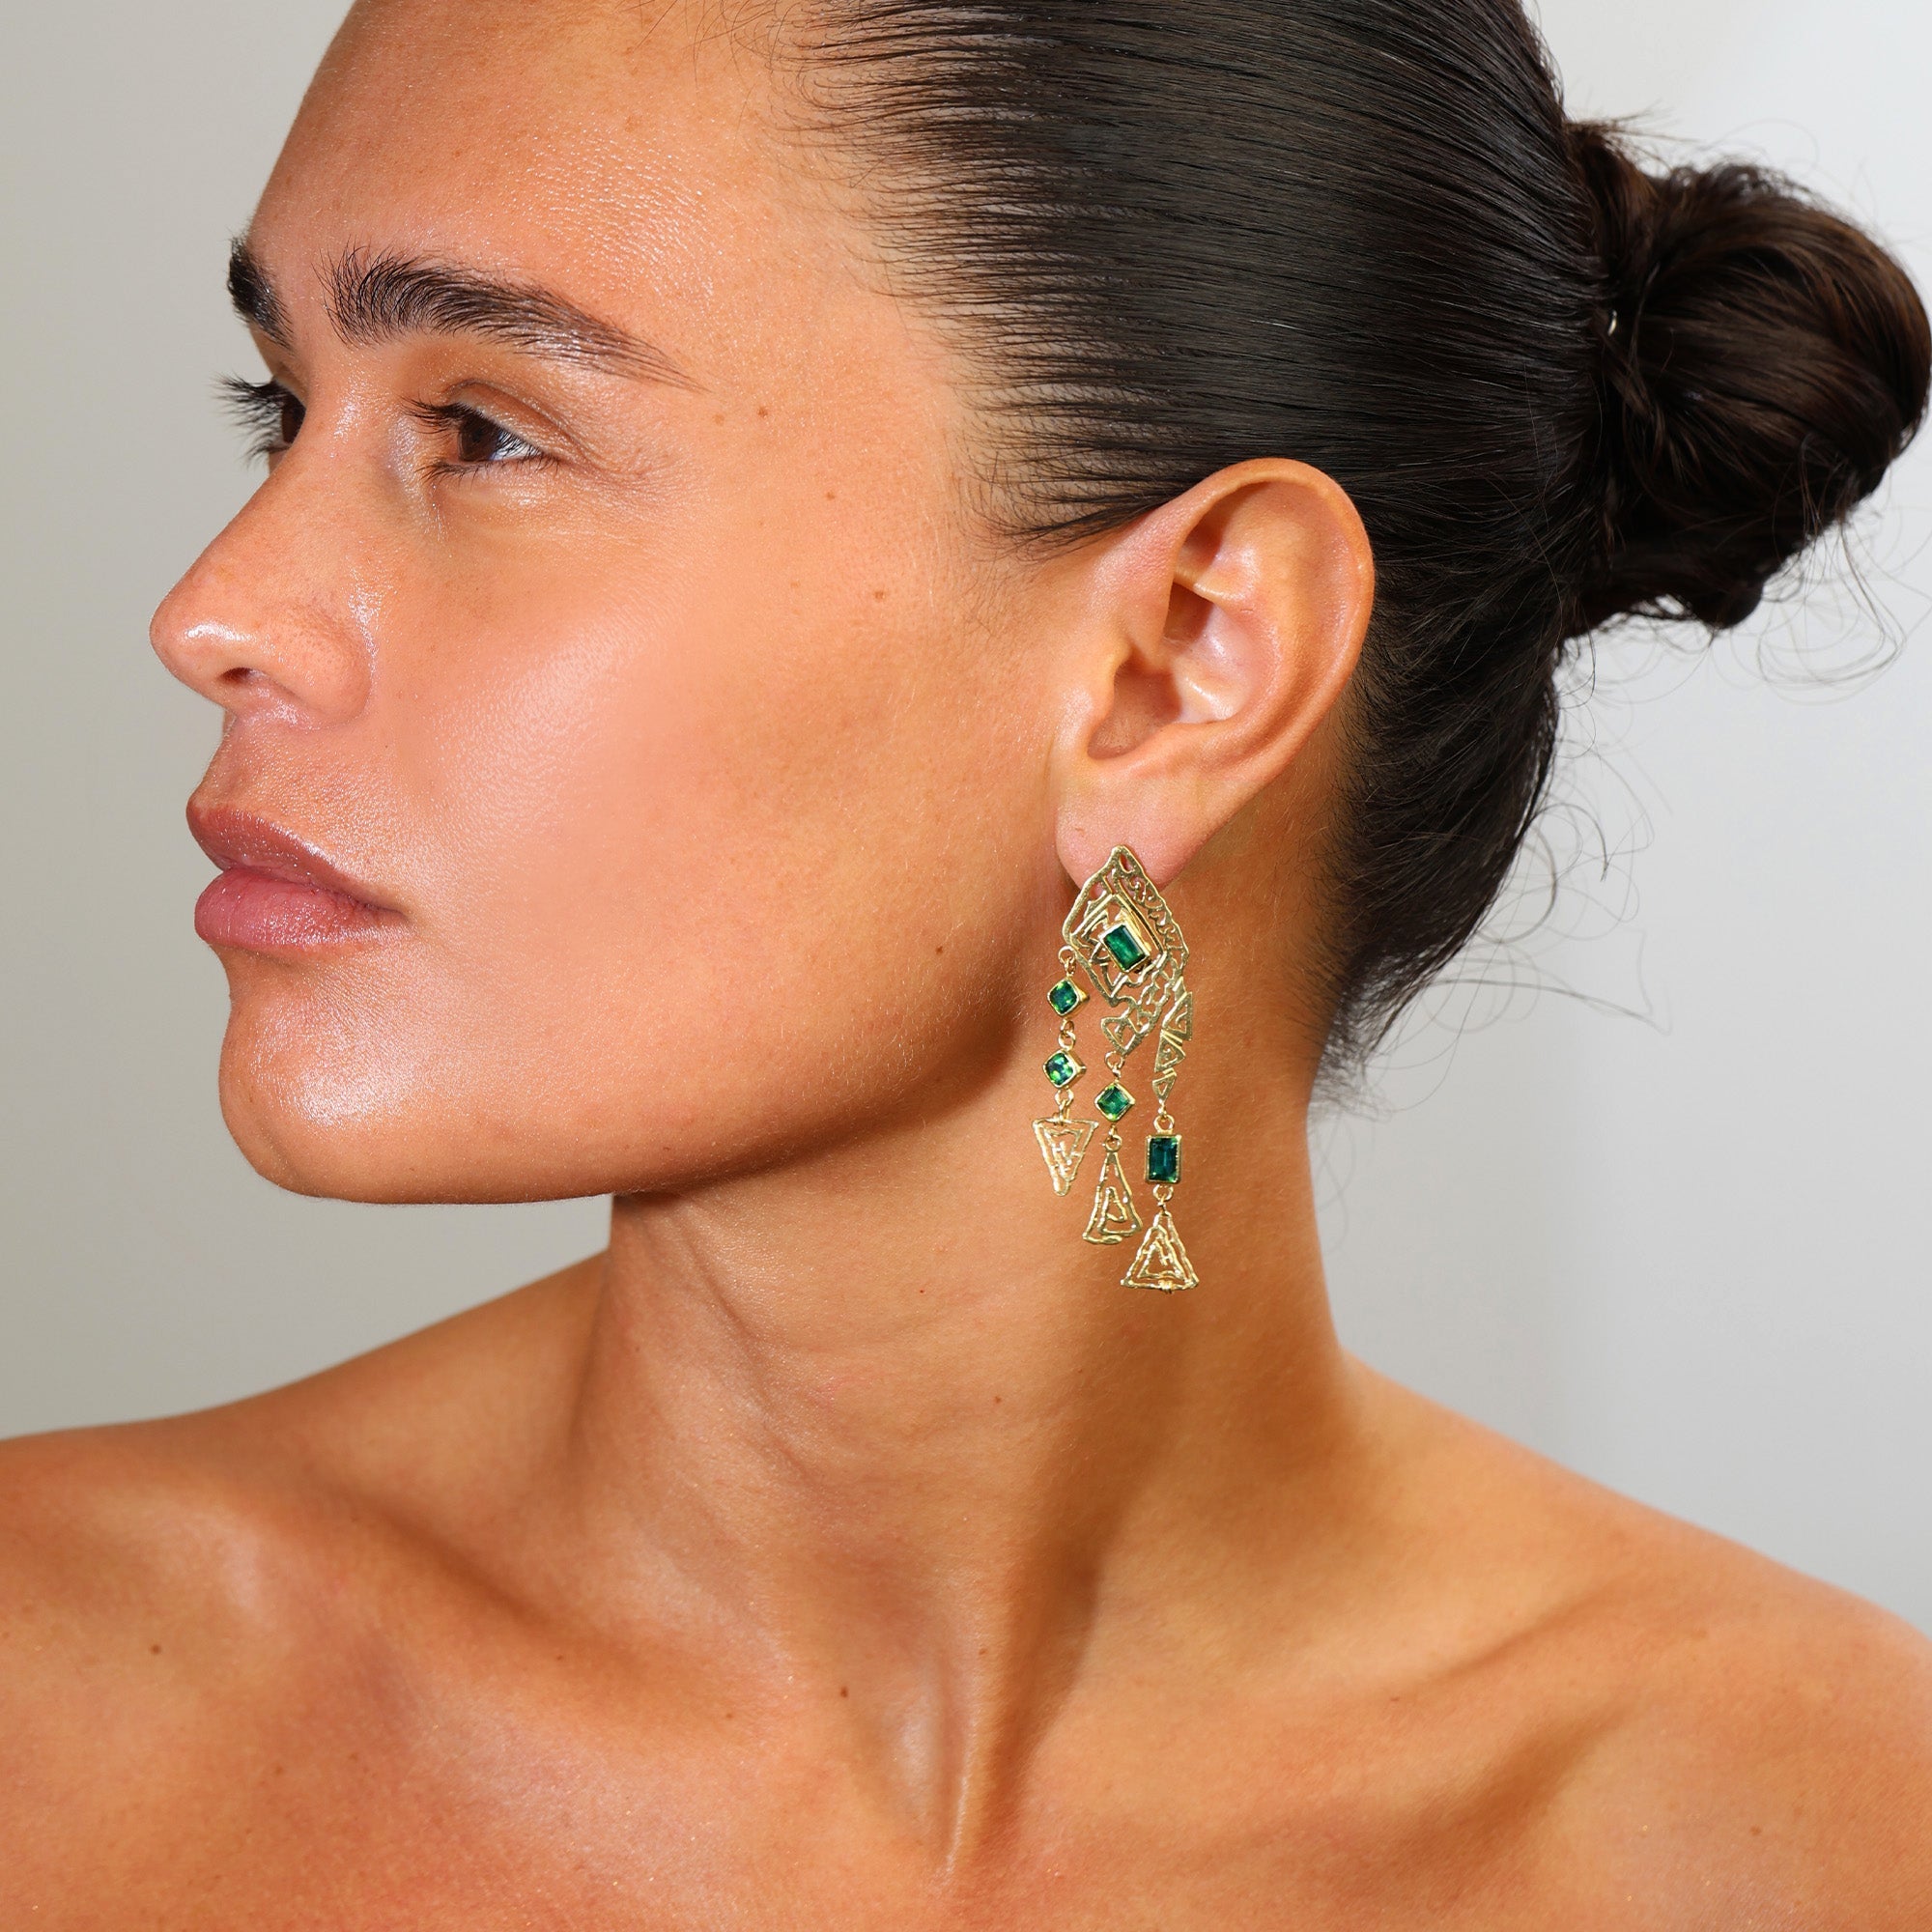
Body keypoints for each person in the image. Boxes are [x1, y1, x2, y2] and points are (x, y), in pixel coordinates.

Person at [4, 0, 1929, 1920]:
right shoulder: (52, 1717)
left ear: (1185, 656)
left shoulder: (1819, 1842)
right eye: (284, 408)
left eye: (482, 431)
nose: (214, 610)